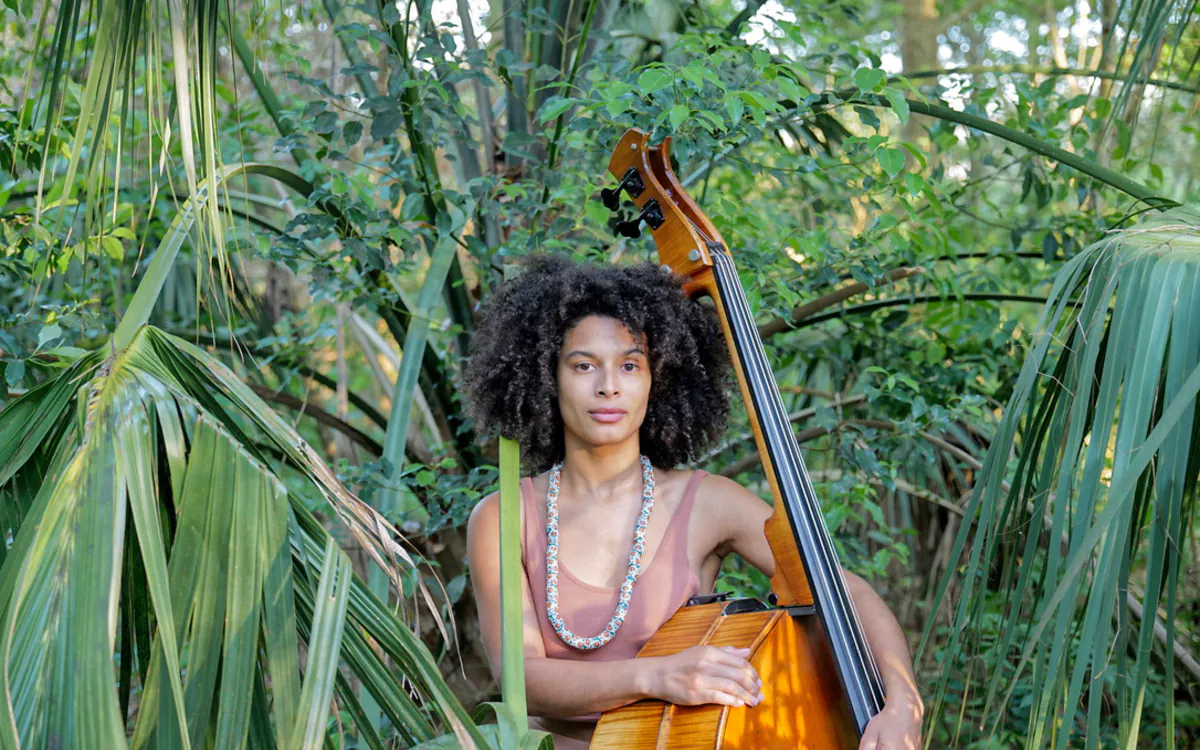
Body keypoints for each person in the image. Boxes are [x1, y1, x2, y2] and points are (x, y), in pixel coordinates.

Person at [463, 255, 923, 750]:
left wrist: (903, 707)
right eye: (583, 365)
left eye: (630, 364)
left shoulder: (708, 502)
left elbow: (848, 595)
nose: (608, 386)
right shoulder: (501, 517)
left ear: (657, 378)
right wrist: (655, 676)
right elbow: (522, 680)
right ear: (547, 378)